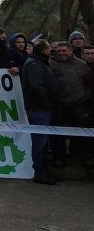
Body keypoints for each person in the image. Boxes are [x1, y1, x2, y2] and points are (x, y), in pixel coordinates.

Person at [49, 40, 93, 168]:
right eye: (59, 51)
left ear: (71, 51)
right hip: (59, 104)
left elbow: (90, 83)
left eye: (64, 51)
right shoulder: (51, 63)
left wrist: (86, 97)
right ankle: (59, 157)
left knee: (81, 132)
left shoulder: (81, 64)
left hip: (79, 103)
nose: (61, 53)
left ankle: (83, 156)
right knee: (59, 133)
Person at [21, 40, 57, 185]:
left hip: (41, 107)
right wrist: (47, 103)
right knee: (40, 142)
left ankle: (44, 171)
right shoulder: (35, 64)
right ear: (44, 50)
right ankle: (40, 172)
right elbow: (36, 86)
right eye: (49, 49)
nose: (51, 51)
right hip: (39, 108)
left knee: (43, 142)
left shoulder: (38, 62)